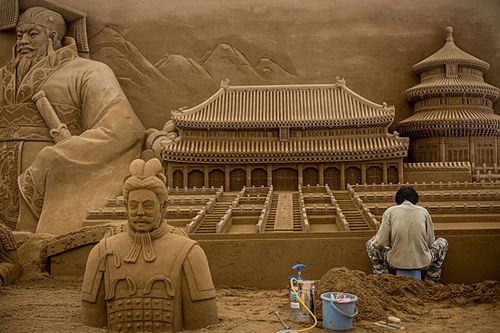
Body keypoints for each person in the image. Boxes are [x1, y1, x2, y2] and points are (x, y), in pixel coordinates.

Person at [0, 6, 144, 234]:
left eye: (33, 34)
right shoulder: (3, 77)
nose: (23, 41)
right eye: (19, 35)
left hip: (48, 183)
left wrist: (59, 155)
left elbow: (123, 128)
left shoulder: (89, 72)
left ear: (53, 37)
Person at [81, 158, 218, 332]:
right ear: (125, 206)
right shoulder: (102, 252)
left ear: (163, 206)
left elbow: (203, 325)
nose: (139, 213)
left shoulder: (189, 253)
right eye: (133, 206)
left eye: (148, 206)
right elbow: (91, 324)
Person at [366, 186, 448, 283]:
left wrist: (378, 240)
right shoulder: (424, 212)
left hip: (395, 262)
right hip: (423, 262)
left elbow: (380, 243)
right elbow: (431, 242)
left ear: (398, 199)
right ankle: (431, 280)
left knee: (370, 244)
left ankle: (383, 280)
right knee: (443, 242)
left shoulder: (390, 211)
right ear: (415, 199)